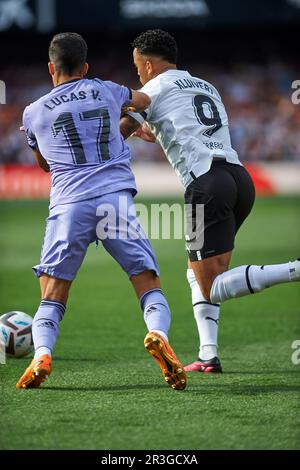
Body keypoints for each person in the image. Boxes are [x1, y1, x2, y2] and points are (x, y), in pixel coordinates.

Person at [120, 29, 300, 373]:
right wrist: (152, 131)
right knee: (197, 271)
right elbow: (182, 126)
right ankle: (208, 355)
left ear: (145, 63)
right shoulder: (205, 86)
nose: (138, 74)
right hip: (238, 179)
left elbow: (125, 129)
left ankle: (295, 269)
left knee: (213, 286)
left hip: (207, 185)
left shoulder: (151, 89)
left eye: (137, 67)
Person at [16, 32, 186, 391]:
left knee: (52, 290)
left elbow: (45, 165)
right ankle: (157, 333)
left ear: (51, 67)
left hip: (69, 205)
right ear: (86, 66)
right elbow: (144, 99)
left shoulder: (33, 112)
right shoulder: (107, 89)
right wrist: (126, 120)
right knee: (146, 281)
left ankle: (41, 353)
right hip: (114, 200)